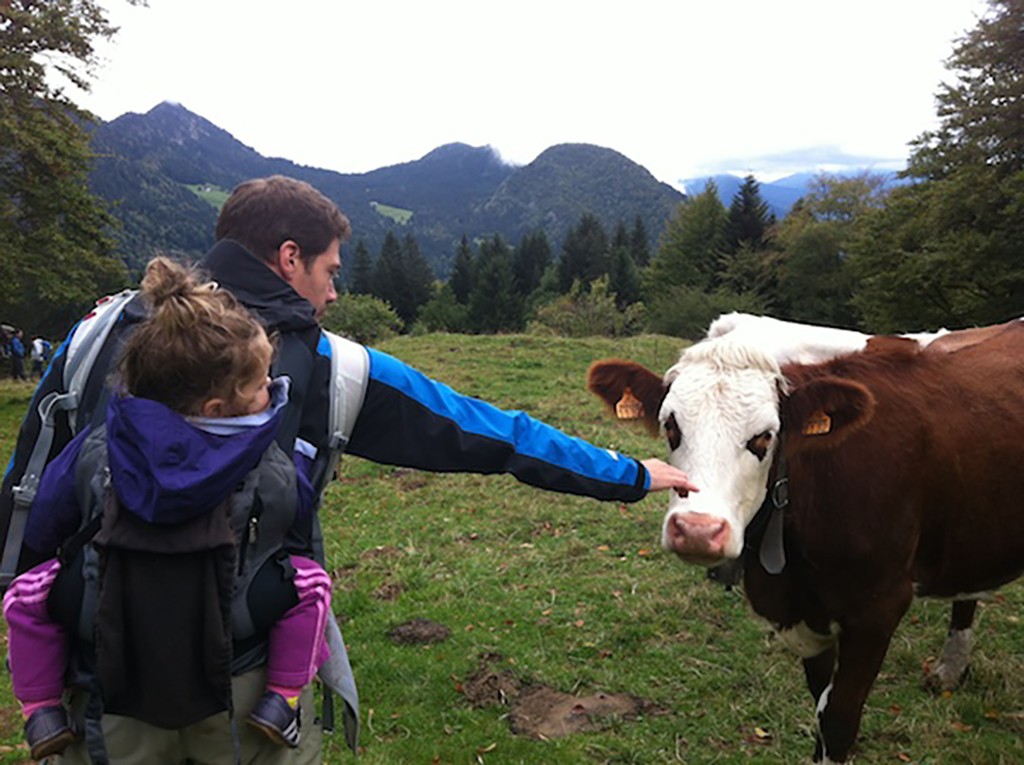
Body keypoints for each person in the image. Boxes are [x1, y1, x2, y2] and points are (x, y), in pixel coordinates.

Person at [1, 175, 697, 764]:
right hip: (255, 686)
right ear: (289, 256)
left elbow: (30, 481)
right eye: (331, 271)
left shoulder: (100, 332)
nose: (334, 294)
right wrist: (625, 472)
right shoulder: (333, 368)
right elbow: (486, 430)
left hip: (99, 679)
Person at [2, 257, 333, 760]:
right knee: (310, 586)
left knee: (29, 597)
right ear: (217, 409)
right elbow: (296, 532)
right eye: (263, 382)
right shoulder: (271, 466)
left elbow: (46, 525)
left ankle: (41, 709)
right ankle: (281, 700)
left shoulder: (95, 449)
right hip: (235, 675)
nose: (273, 390)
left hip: (109, 676)